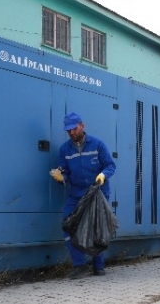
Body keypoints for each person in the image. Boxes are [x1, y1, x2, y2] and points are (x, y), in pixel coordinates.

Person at [50, 112, 116, 279]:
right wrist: (60, 178)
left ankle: (98, 265)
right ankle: (79, 265)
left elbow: (110, 165)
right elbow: (64, 171)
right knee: (68, 225)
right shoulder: (65, 149)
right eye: (68, 130)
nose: (71, 132)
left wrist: (103, 175)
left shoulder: (97, 144)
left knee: (97, 227)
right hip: (77, 193)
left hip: (97, 192)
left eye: (74, 128)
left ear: (82, 125)